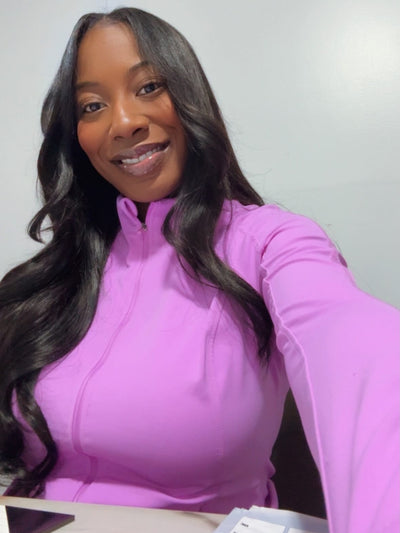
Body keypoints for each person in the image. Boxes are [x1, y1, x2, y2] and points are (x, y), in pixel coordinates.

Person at [0, 7, 398, 533]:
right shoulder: (56, 275)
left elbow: (359, 352)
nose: (124, 122)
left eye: (148, 87)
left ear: (190, 97)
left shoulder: (268, 244)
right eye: (93, 106)